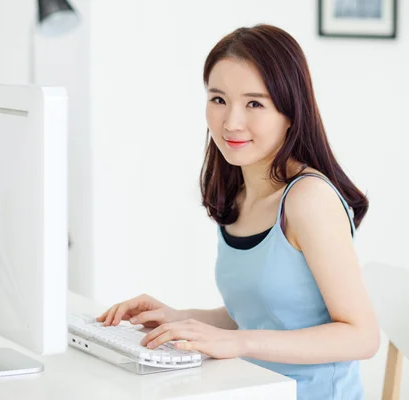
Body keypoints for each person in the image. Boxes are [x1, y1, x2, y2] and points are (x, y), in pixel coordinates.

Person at [97, 23, 379, 399]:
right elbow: (262, 317)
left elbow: (362, 337)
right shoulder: (240, 196)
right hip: (250, 389)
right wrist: (179, 319)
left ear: (290, 111)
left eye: (254, 103)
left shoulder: (308, 199)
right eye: (218, 99)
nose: (231, 122)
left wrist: (239, 343)